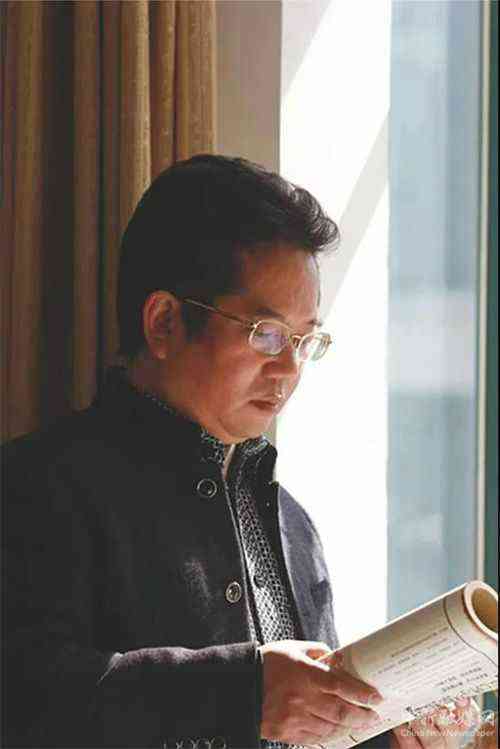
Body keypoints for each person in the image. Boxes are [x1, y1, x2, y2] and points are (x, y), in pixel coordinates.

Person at [2, 155, 476, 749]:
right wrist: (244, 691)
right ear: (164, 322)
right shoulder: (36, 488)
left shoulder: (294, 526)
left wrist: (387, 737)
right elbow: (26, 701)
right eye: (267, 334)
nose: (290, 369)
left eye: (306, 340)